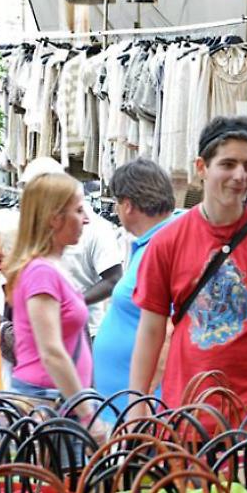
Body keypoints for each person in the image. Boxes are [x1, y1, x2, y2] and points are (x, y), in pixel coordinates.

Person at [129, 117, 247, 418]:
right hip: (186, 415)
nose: (240, 175)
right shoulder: (167, 241)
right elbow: (150, 329)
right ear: (202, 168)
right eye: (228, 164)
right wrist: (136, 406)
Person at [5, 173, 96, 423]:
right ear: (55, 219)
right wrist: (87, 413)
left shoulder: (50, 268)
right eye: (78, 210)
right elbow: (51, 351)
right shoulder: (41, 272)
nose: (86, 219)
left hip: (60, 399)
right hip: (49, 401)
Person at [92, 160, 177, 409]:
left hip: (143, 408)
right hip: (126, 404)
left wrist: (142, 402)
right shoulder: (151, 244)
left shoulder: (167, 245)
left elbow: (171, 328)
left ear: (127, 205)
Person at [20, 158, 123, 335]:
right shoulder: (29, 231)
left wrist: (71, 302)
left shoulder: (96, 228)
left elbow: (113, 279)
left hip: (84, 330)